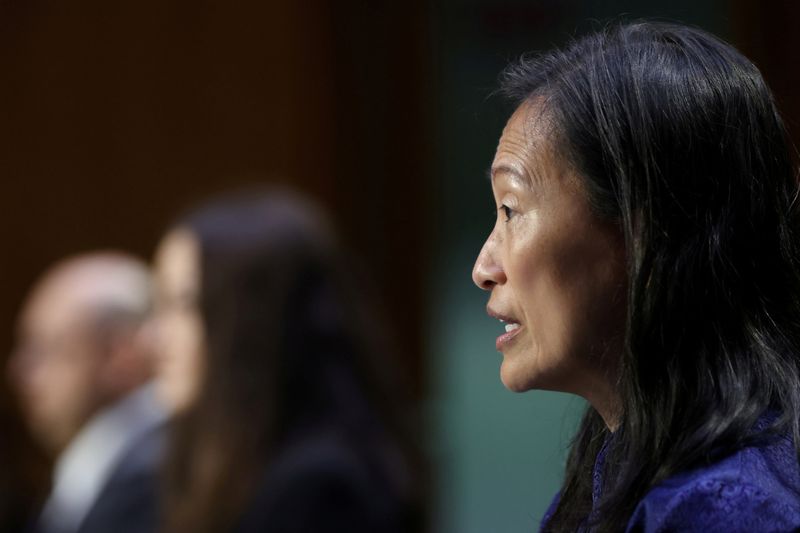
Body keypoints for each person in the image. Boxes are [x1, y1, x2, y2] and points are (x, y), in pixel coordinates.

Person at [472, 21, 800, 532]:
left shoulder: (724, 510)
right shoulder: (624, 463)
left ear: (645, 230)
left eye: (511, 210)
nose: (484, 268)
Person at [152, 189, 425, 533]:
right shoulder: (245, 466)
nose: (155, 337)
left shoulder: (320, 488)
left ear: (254, 320)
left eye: (184, 304)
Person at [8, 252, 166, 533]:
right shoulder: (100, 463)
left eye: (43, 349)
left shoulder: (152, 470)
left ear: (120, 355)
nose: (18, 371)